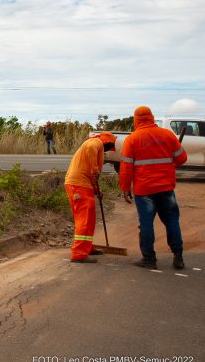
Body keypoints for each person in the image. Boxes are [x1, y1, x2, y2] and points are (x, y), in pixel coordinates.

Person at [119, 106, 188, 270]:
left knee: (146, 223)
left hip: (144, 190)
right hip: (166, 187)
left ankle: (149, 258)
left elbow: (126, 167)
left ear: (136, 120)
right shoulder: (167, 135)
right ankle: (178, 256)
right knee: (172, 221)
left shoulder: (133, 139)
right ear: (151, 117)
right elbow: (182, 158)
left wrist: (125, 188)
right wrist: (169, 162)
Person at [64, 132, 117, 263]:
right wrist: (95, 168)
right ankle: (79, 254)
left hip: (80, 184)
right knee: (85, 219)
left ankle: (87, 247)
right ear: (108, 143)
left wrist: (96, 189)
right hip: (79, 185)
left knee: (88, 219)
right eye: (110, 148)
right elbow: (91, 149)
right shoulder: (96, 142)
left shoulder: (94, 144)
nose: (108, 151)